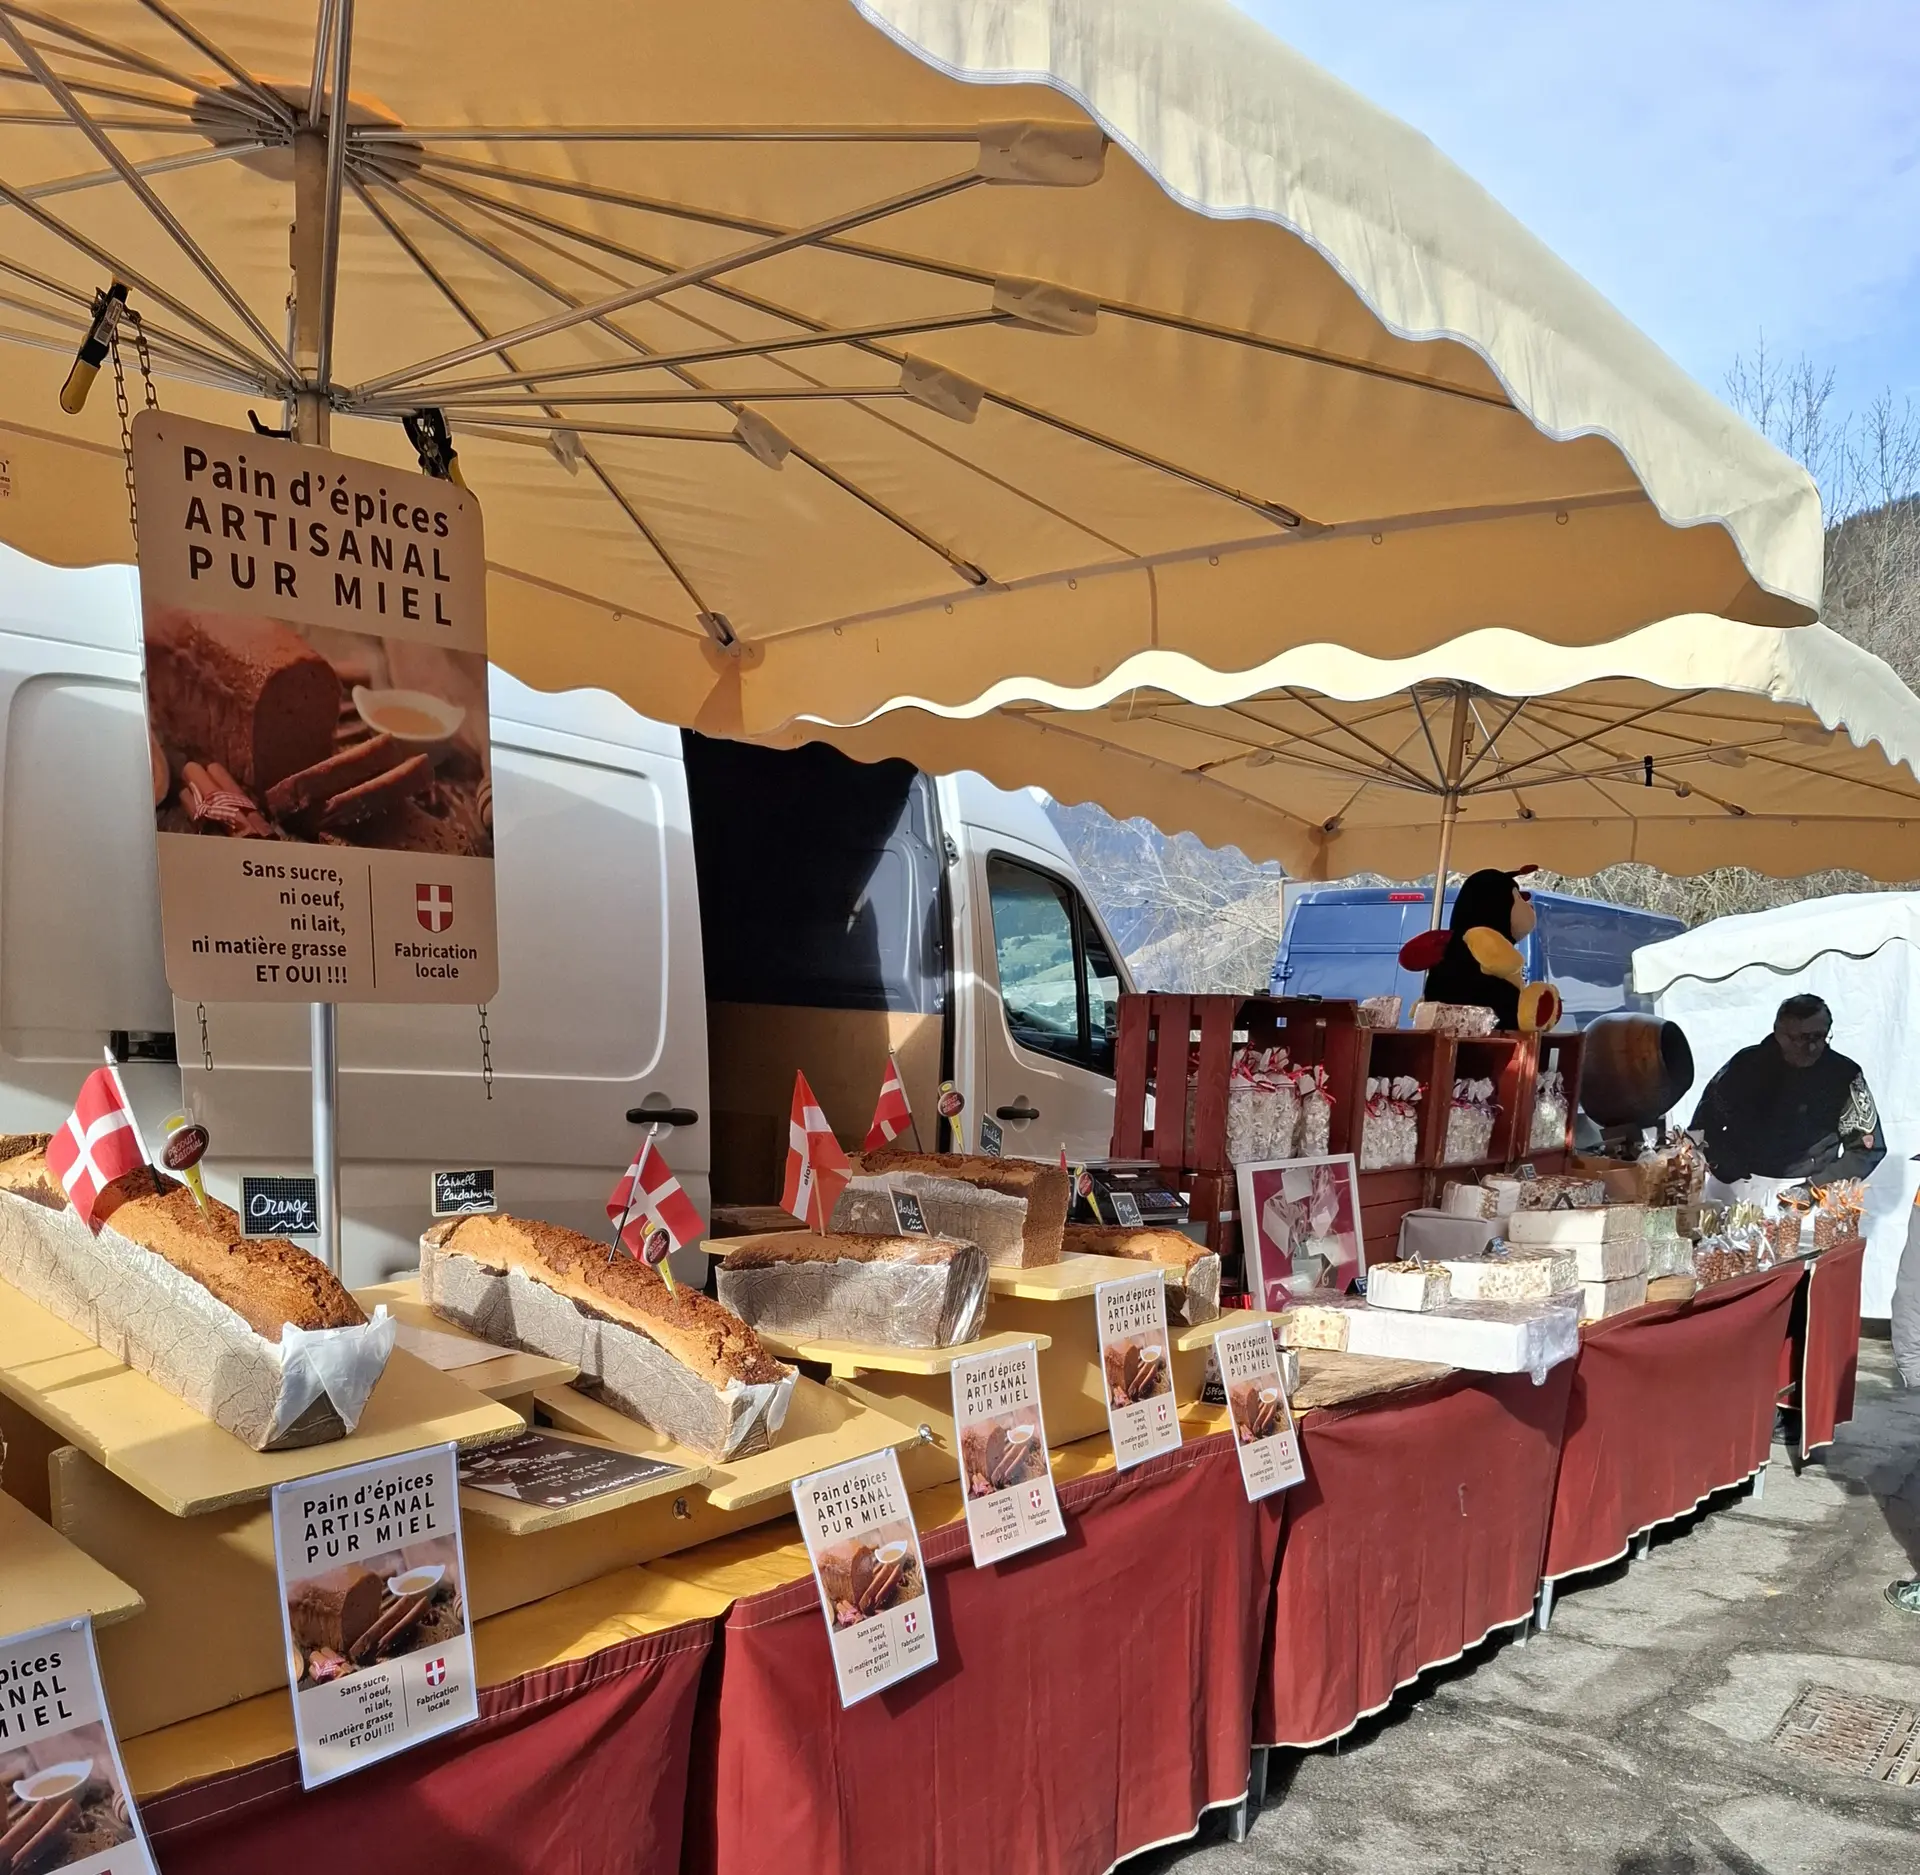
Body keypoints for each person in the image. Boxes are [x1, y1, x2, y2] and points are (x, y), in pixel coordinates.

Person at [1691, 994, 1886, 1193]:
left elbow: (1867, 1148)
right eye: (1800, 1038)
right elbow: (1702, 1125)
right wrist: (1722, 1163)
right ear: (1779, 1033)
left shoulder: (1843, 1075)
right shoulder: (1745, 1066)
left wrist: (1819, 1185)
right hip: (1739, 1185)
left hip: (1811, 1189)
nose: (1811, 1047)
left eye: (1819, 1036)